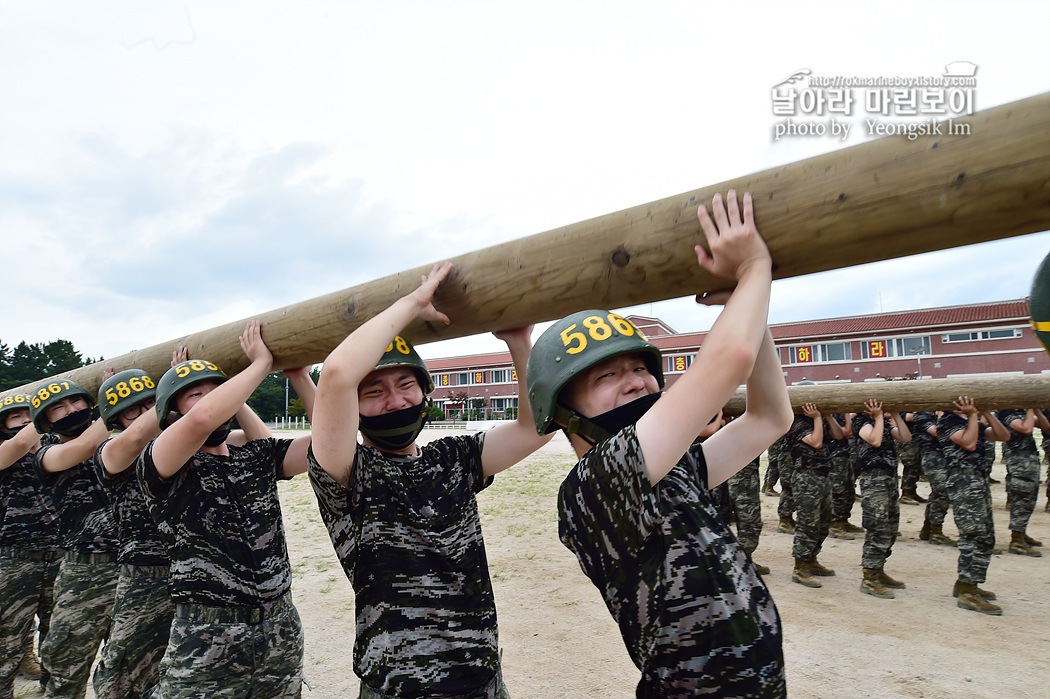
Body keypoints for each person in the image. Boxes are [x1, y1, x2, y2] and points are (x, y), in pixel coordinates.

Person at [526, 190, 793, 696]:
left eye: (640, 369)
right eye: (607, 374)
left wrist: (752, 311)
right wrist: (755, 269)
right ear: (562, 409)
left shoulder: (673, 468)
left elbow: (769, 418)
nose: (636, 382)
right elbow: (729, 355)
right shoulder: (594, 486)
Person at [307, 261, 552, 699]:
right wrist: (412, 303)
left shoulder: (453, 457)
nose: (395, 400)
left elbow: (537, 427)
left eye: (406, 385)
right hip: (399, 686)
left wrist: (519, 341)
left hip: (482, 678)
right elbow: (337, 376)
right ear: (355, 408)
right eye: (374, 392)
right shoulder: (347, 474)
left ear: (425, 393)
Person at [138, 321, 313, 698]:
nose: (208, 400)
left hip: (279, 623)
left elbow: (334, 438)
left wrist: (298, 374)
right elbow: (202, 420)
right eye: (193, 394)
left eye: (216, 391)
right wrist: (259, 364)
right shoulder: (162, 463)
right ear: (170, 415)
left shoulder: (254, 455)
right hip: (207, 634)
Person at [32, 379, 118, 699]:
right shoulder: (47, 455)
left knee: (129, 669)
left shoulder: (117, 444)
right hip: (83, 574)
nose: (71, 410)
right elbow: (81, 448)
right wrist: (115, 396)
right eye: (59, 407)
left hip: (136, 567)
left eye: (76, 402)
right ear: (46, 421)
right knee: (66, 670)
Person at [0, 393, 60, 699]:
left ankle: (49, 691)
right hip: (16, 557)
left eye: (30, 414)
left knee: (59, 638)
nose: (25, 419)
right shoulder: (5, 450)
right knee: (7, 640)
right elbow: (20, 444)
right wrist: (42, 413)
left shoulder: (54, 448)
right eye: (16, 416)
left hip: (59, 553)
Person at [938, 397, 1009, 615]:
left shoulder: (973, 421)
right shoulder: (947, 421)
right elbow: (968, 443)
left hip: (977, 480)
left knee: (986, 536)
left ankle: (966, 583)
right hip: (963, 481)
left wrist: (986, 414)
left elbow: (1003, 436)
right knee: (973, 535)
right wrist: (972, 415)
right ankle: (969, 591)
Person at [852, 399, 911, 600]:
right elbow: (874, 440)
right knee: (878, 528)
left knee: (891, 527)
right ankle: (869, 577)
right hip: (873, 478)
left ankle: (879, 569)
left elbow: (905, 437)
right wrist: (878, 417)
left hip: (889, 477)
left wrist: (894, 415)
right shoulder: (861, 422)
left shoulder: (882, 423)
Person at [789, 403, 844, 588]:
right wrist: (817, 418)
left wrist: (827, 416)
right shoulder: (796, 422)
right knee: (808, 523)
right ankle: (800, 567)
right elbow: (816, 441)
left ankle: (812, 558)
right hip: (806, 477)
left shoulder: (819, 419)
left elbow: (839, 435)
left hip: (823, 475)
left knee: (824, 522)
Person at [993, 407, 1048, 557]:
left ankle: (1021, 532)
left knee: (1030, 498)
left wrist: (1036, 410)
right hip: (1018, 458)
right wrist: (1030, 409)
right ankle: (1016, 540)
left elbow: (1045, 426)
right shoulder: (1007, 412)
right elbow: (1026, 429)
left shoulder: (1021, 412)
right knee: (1022, 497)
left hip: (1028, 457)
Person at [912, 411, 956, 546]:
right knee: (943, 491)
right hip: (932, 457)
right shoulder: (921, 415)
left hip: (947, 456)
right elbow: (938, 432)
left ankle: (929, 527)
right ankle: (936, 531)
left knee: (937, 493)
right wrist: (942, 415)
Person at [827, 412, 863, 538]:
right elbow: (845, 432)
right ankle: (833, 524)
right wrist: (847, 414)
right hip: (834, 456)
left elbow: (849, 431)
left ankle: (842, 520)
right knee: (838, 491)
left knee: (849, 491)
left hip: (844, 453)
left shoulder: (840, 413)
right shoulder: (830, 414)